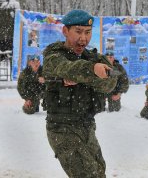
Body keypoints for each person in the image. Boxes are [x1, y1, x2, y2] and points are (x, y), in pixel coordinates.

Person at [42, 9, 118, 178]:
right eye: (78, 32)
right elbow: (67, 68)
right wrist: (91, 71)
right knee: (86, 174)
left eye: (88, 32)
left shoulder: (93, 57)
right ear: (65, 31)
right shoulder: (53, 56)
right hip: (62, 128)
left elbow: (110, 83)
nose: (83, 38)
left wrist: (86, 75)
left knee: (99, 171)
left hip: (86, 125)